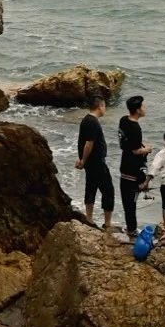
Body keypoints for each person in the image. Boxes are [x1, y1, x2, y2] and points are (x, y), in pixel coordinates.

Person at [74, 93, 115, 230]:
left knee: (91, 187)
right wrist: (83, 161)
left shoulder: (86, 119)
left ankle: (89, 219)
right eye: (104, 106)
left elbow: (81, 142)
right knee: (108, 191)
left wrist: (81, 159)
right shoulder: (93, 122)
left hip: (91, 163)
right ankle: (107, 223)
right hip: (96, 162)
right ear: (100, 106)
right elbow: (88, 144)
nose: (105, 109)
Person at [117, 94, 151, 238]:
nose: (145, 108)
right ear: (137, 110)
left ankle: (130, 227)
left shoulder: (123, 120)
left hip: (124, 164)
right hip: (133, 168)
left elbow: (127, 143)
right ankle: (132, 230)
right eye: (143, 106)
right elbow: (136, 150)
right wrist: (147, 149)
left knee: (127, 200)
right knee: (132, 201)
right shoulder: (136, 128)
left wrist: (140, 146)